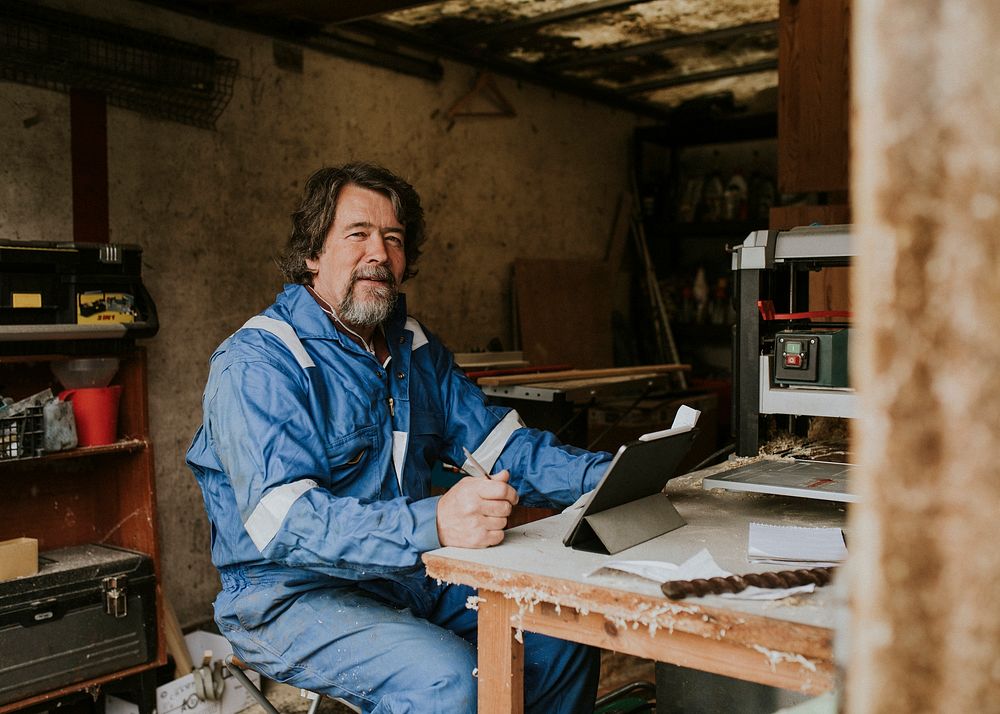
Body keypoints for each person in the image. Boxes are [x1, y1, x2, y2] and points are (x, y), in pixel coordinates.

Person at [186, 162, 612, 714]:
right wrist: (433, 522)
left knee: (563, 631)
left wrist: (615, 474)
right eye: (358, 234)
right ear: (312, 255)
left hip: (405, 573)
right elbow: (291, 525)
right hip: (290, 594)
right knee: (450, 684)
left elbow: (503, 448)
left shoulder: (414, 349)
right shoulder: (259, 362)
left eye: (394, 239)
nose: (379, 254)